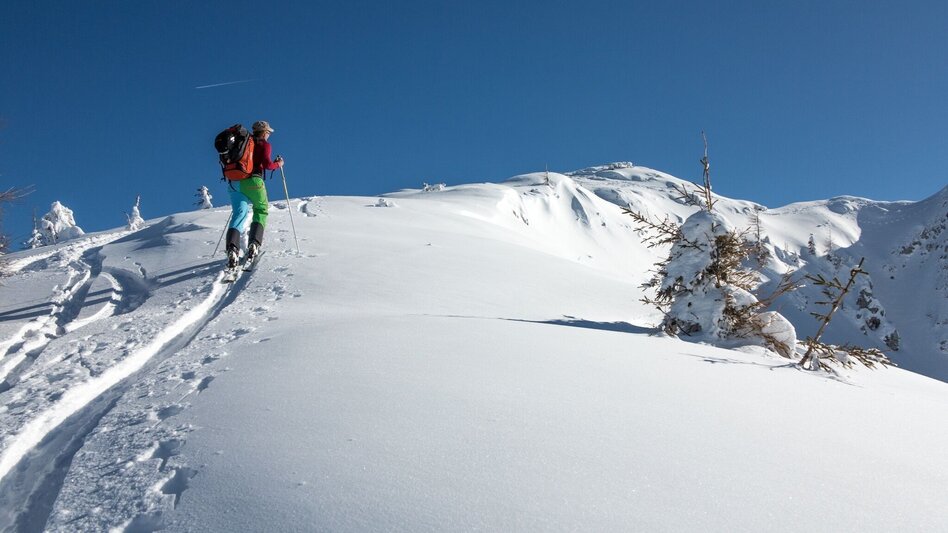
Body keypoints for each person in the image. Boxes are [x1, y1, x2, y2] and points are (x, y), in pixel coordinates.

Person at [225, 120, 284, 267]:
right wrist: (279, 164)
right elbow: (267, 165)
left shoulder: (244, 142)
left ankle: (232, 248)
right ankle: (254, 244)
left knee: (239, 214)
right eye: (268, 132)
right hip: (253, 182)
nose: (269, 135)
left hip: (234, 181)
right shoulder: (264, 144)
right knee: (261, 210)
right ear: (264, 132)